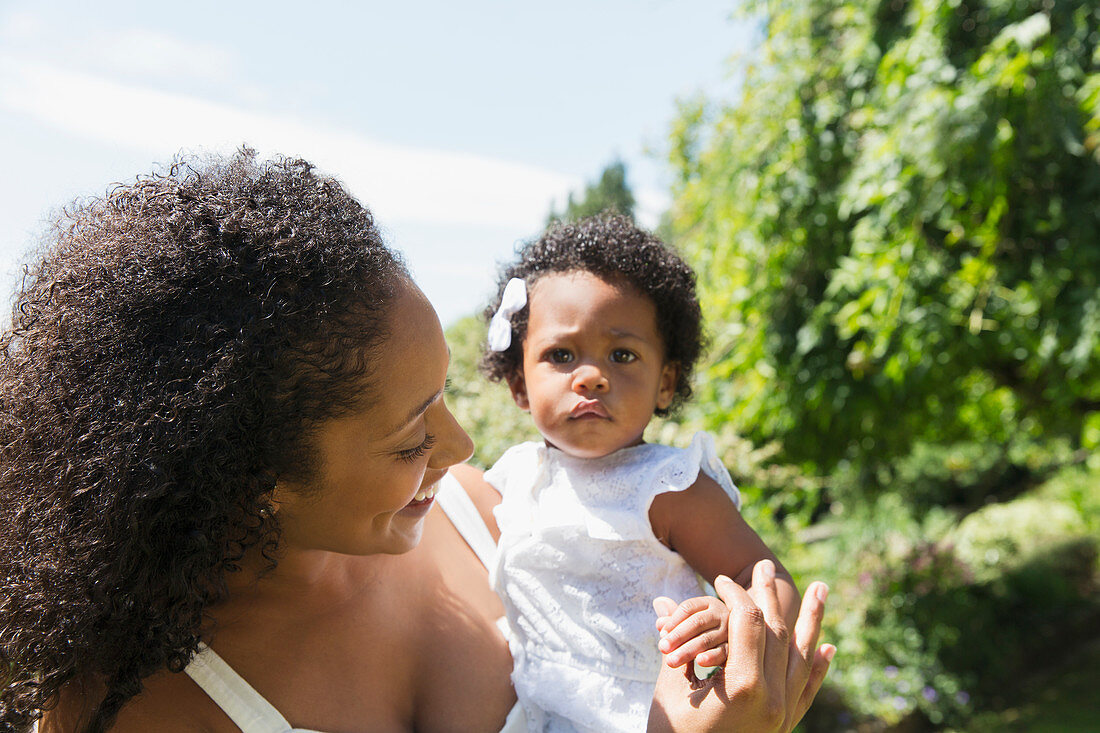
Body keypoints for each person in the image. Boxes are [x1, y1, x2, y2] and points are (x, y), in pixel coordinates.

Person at [0, 151, 832, 733]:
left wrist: (735, 655)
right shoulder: (137, 707)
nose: (464, 444)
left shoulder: (500, 521)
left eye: (442, 395)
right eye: (408, 440)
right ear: (253, 477)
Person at [477, 216, 801, 732]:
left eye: (622, 355)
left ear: (666, 383)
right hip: (538, 714)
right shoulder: (516, 477)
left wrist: (734, 622)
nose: (591, 376)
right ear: (519, 383)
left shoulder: (668, 486)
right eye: (560, 355)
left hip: (652, 715)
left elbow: (764, 578)